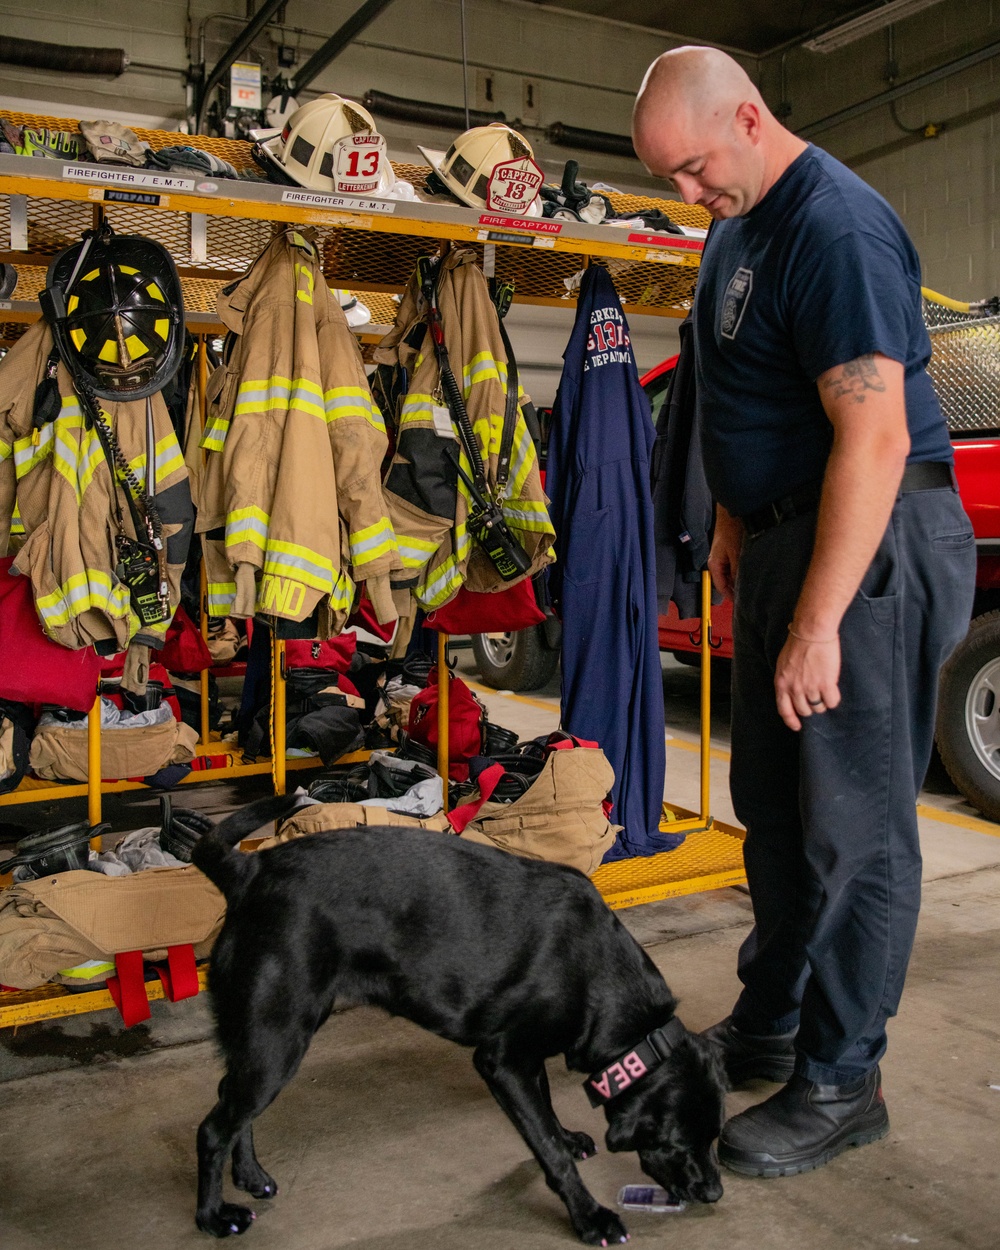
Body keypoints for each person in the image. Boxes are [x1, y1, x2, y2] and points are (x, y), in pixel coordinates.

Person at [632, 47, 976, 1179]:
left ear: (745, 115)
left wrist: (820, 617)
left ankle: (841, 1078)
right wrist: (734, 518)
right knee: (770, 803)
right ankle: (773, 1018)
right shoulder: (738, 227)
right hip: (783, 535)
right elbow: (745, 386)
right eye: (672, 179)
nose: (689, 195)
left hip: (869, 549)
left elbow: (873, 435)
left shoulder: (835, 225)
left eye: (692, 170)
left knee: (855, 824)